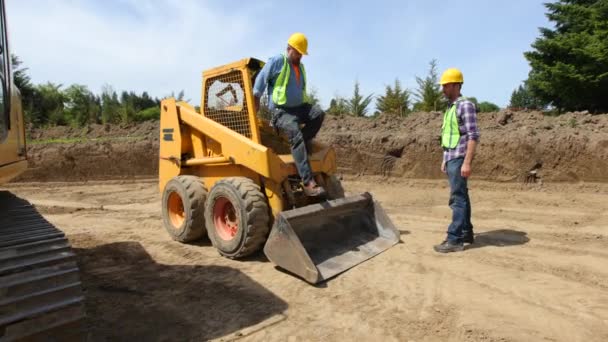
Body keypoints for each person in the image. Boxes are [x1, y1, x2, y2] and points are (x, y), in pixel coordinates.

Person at [253, 32, 326, 197]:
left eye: (302, 53)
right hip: (281, 111)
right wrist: (256, 97)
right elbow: (262, 78)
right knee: (294, 132)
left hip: (300, 108)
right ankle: (308, 182)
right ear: (289, 48)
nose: (300, 56)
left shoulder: (300, 67)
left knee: (318, 114)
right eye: (297, 52)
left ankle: (300, 142)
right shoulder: (278, 61)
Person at [433, 68, 480, 253]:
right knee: (462, 196)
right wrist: (445, 158)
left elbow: (473, 135)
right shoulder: (450, 107)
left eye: (445, 85)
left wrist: (467, 162)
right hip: (452, 157)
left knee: (457, 199)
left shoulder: (465, 105)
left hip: (460, 157)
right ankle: (466, 233)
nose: (443, 88)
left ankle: (454, 239)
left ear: (455, 85)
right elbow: (448, 134)